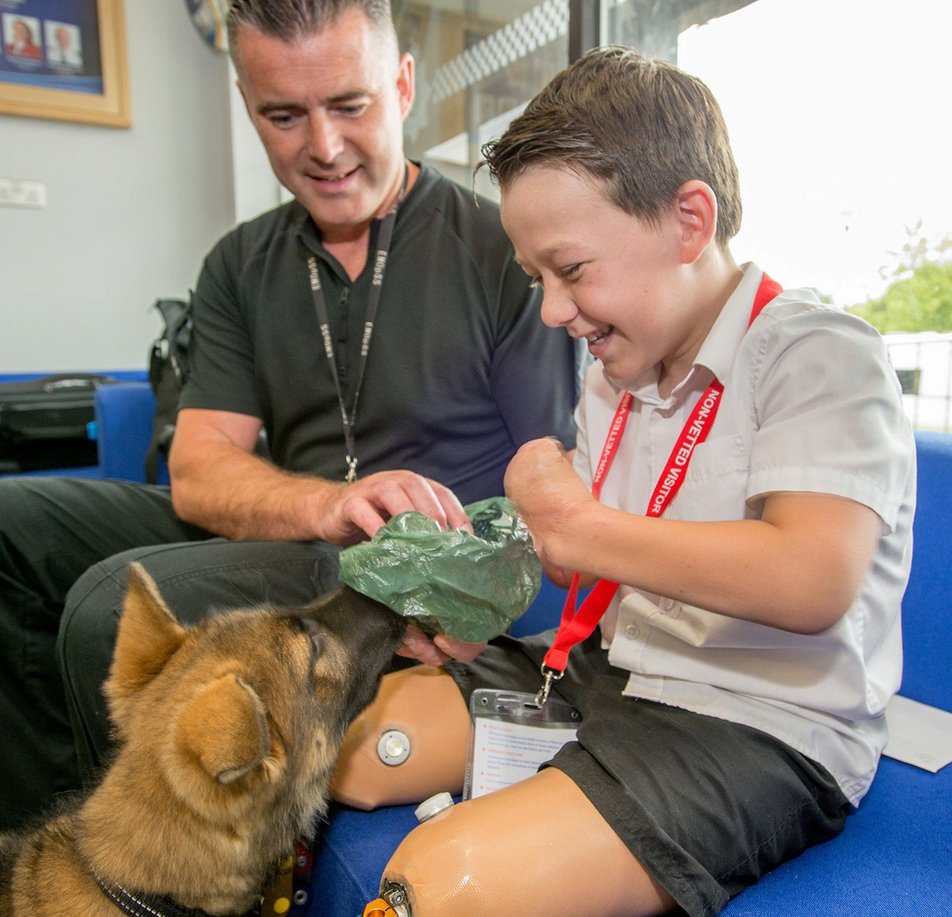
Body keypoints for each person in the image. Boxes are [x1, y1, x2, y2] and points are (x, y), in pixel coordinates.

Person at [330, 47, 916, 917]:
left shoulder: (818, 352)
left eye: (570, 271)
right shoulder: (615, 376)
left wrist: (576, 525)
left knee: (443, 884)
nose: (554, 313)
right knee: (347, 741)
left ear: (688, 220)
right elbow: (586, 570)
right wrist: (478, 584)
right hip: (610, 666)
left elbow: (812, 577)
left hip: (760, 720)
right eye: (536, 280)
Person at [0, 0, 579, 833]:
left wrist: (466, 591)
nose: (325, 146)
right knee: (10, 527)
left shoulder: (499, 249)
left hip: (409, 571)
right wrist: (323, 504)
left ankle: (145, 879)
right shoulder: (239, 264)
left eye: (350, 105)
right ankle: (44, 847)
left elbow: (549, 484)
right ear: (247, 104)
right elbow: (198, 469)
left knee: (110, 607)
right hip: (291, 534)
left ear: (404, 85)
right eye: (284, 114)